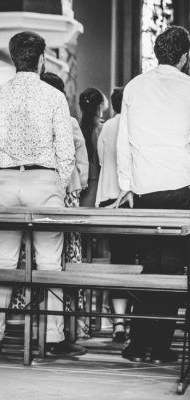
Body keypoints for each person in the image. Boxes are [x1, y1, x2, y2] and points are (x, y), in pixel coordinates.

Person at [0, 31, 84, 356]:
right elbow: (66, 152)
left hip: (6, 181)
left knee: (3, 262)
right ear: (41, 59)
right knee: (50, 264)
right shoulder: (54, 97)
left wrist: (4, 175)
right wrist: (55, 182)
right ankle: (53, 338)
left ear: (13, 58)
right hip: (44, 179)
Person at [116, 26, 190, 363]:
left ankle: (136, 344)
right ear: (185, 56)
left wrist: (126, 185)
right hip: (180, 188)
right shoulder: (189, 88)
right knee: (172, 267)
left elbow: (123, 143)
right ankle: (160, 348)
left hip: (143, 189)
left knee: (147, 264)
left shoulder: (134, 86)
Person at [41, 72, 90, 339]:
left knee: (38, 261)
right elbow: (80, 164)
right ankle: (60, 328)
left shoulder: (33, 118)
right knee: (62, 262)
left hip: (39, 193)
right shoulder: (68, 120)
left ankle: (38, 323)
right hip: (65, 196)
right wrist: (76, 189)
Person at [96, 87, 134, 343]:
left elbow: (100, 160)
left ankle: (118, 321)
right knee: (136, 262)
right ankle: (134, 319)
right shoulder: (135, 125)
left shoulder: (107, 126)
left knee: (117, 261)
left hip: (108, 196)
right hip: (130, 199)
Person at [79, 87, 107, 208]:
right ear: (100, 106)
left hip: (77, 184)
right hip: (98, 183)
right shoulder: (104, 129)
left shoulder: (75, 127)